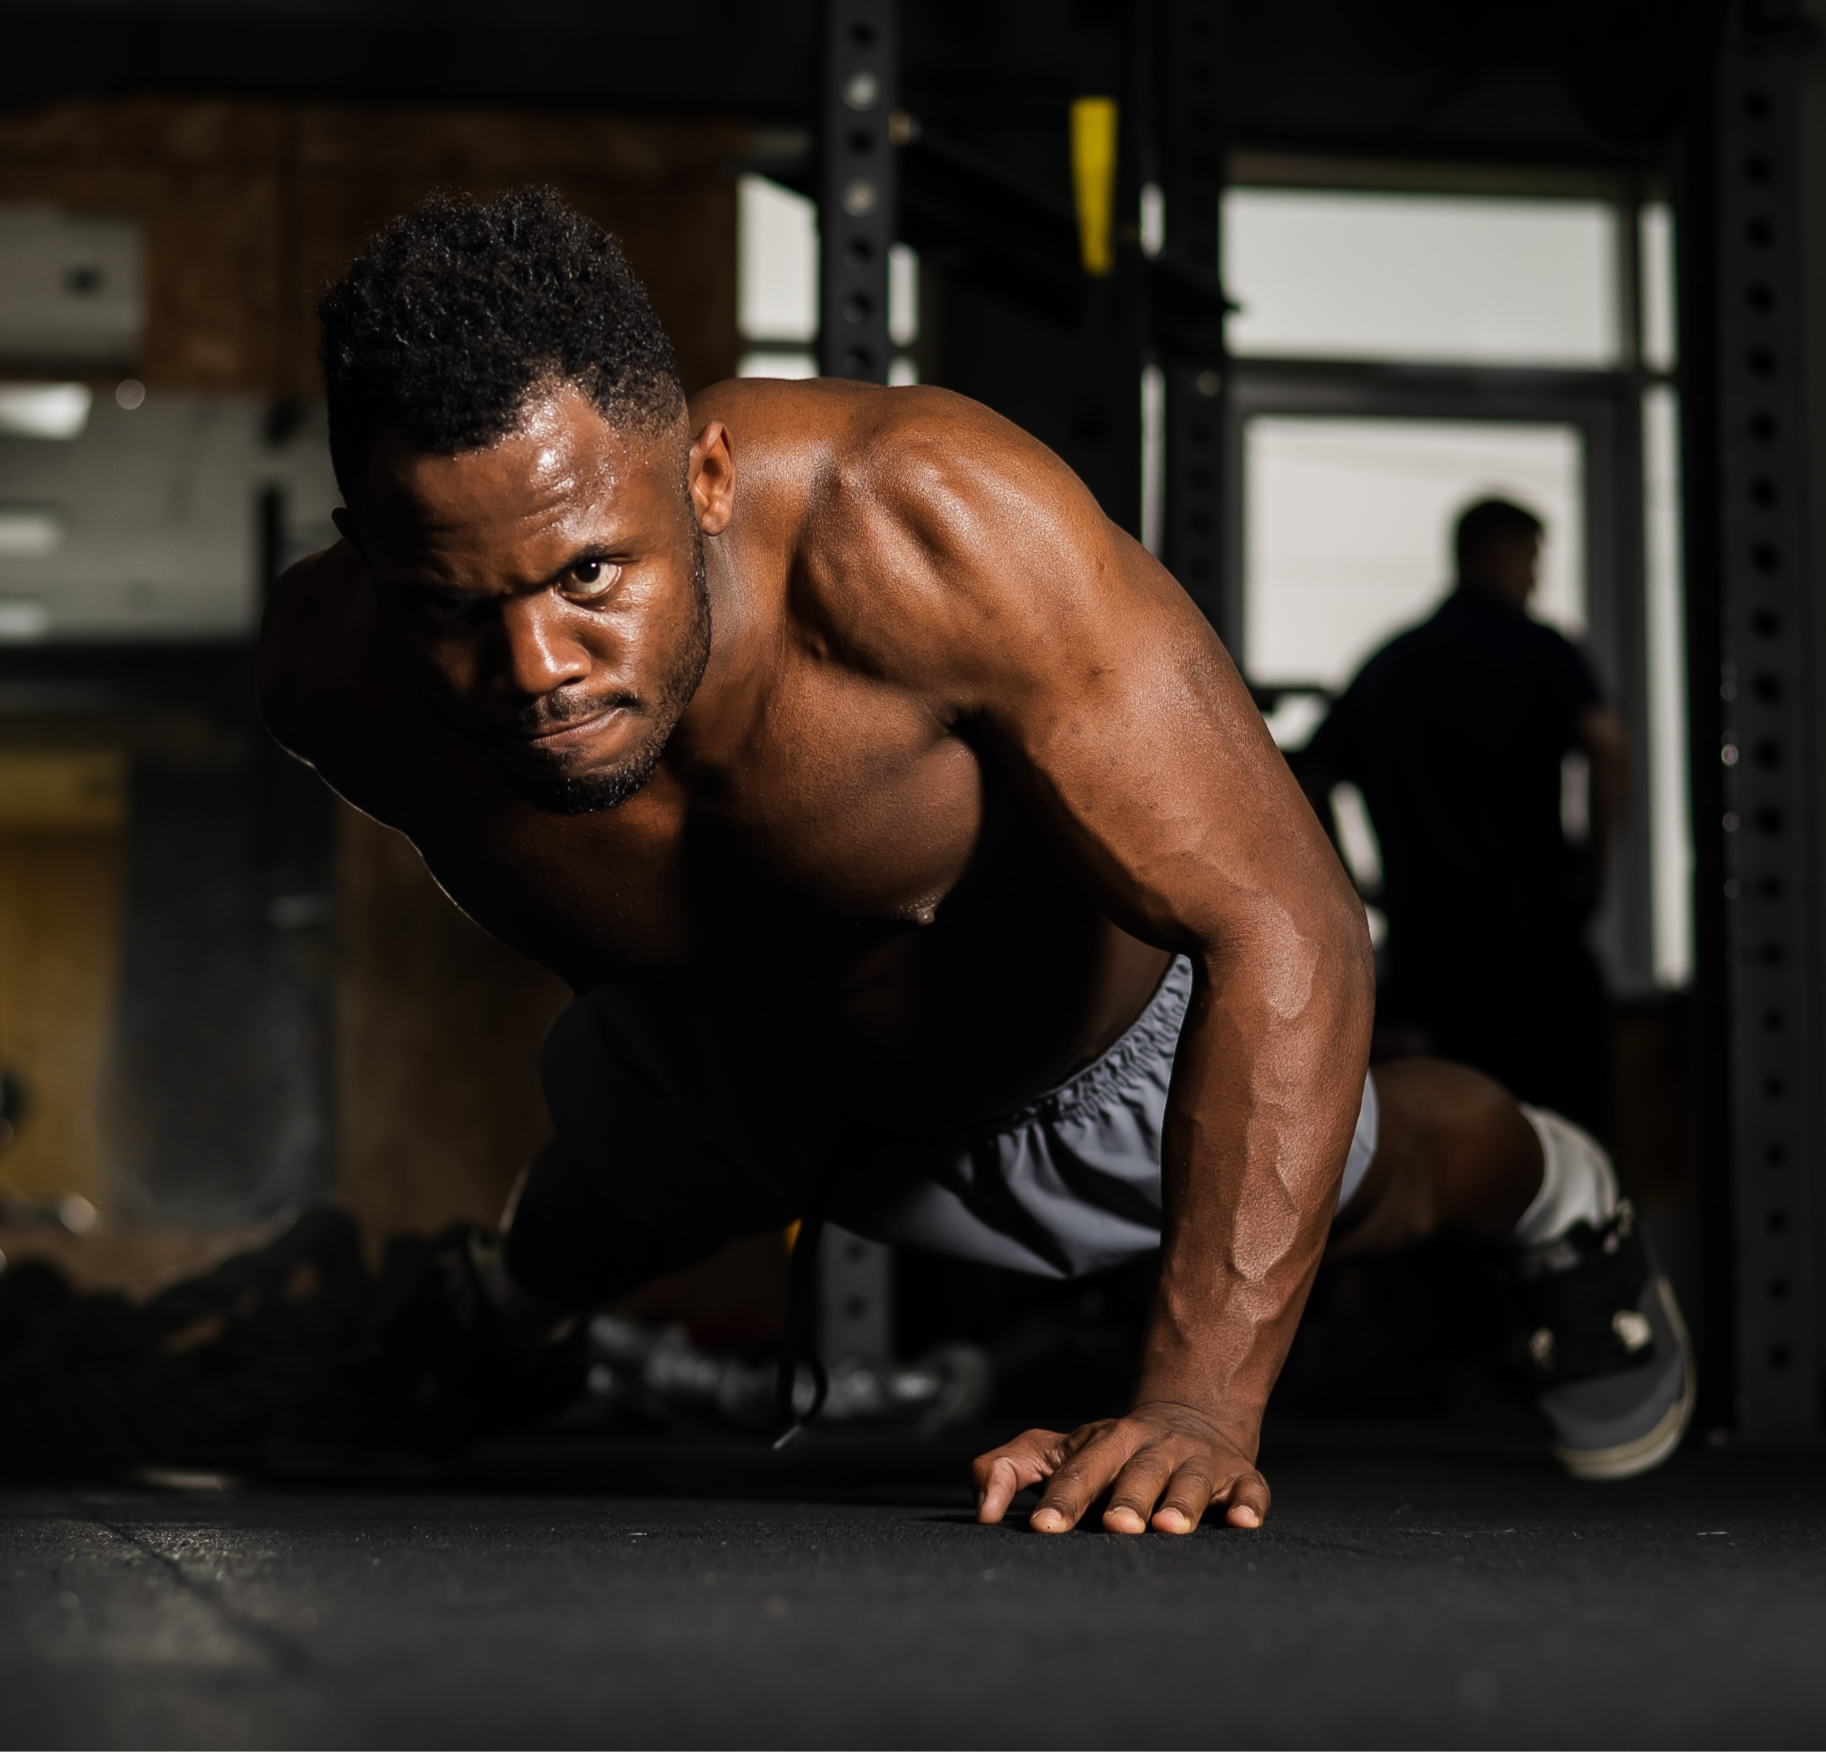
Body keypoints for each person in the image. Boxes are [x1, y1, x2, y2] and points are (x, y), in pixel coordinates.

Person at [258, 191, 1691, 1531]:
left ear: (703, 476)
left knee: (1378, 1181)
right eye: (450, 604)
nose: (533, 670)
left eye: (587, 575)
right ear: (366, 552)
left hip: (1061, 1062)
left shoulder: (923, 525)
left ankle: (1563, 1206)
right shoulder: (334, 680)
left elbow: (1283, 917)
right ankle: (492, 1332)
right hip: (732, 1035)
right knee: (606, 1189)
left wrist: (1192, 1399)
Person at [1299, 500, 1624, 1136]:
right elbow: (1608, 748)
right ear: (1492, 554)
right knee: (1561, 1141)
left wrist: (1350, 887)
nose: (1536, 579)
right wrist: (1596, 870)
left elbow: (1310, 779)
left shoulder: (1392, 663)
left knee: (1442, 1144)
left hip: (1426, 954)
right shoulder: (1540, 649)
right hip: (1533, 942)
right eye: (1531, 559)